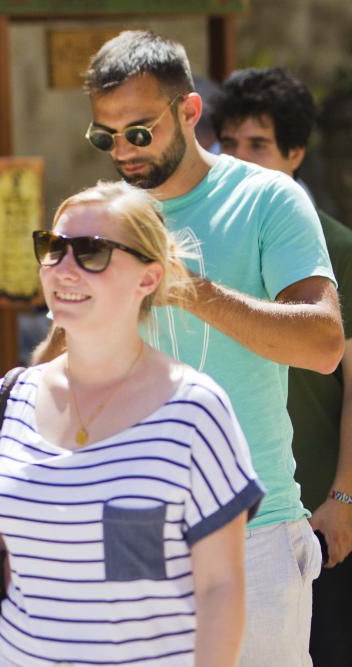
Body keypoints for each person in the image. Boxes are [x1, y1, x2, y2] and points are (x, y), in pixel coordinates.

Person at [31, 30, 344, 666]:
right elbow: (64, 368)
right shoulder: (108, 217)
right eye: (105, 136)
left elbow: (323, 343)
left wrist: (191, 290)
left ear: (190, 112)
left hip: (251, 531)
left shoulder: (267, 198)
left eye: (139, 132)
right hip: (130, 527)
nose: (123, 151)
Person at [0, 181, 264, 666]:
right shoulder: (7, 400)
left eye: (91, 252)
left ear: (149, 278)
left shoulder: (194, 409)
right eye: (53, 248)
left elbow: (221, 589)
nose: (63, 269)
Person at [213, 66, 352, 667]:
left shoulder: (338, 247)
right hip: (227, 512)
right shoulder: (208, 235)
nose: (239, 157)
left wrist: (345, 497)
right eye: (228, 142)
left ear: (294, 154)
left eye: (259, 144)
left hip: (318, 510)